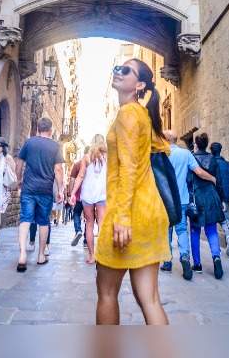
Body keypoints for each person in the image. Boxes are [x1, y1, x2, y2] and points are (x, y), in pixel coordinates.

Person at [95, 58, 171, 325]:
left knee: (106, 294)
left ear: (138, 84)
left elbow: (128, 166)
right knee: (149, 300)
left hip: (127, 215)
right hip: (150, 214)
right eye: (117, 67)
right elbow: (160, 147)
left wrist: (123, 217)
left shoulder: (127, 113)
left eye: (126, 70)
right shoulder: (143, 114)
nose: (118, 72)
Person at [160, 130, 217, 280]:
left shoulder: (160, 155)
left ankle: (167, 262)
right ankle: (185, 257)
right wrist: (213, 179)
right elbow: (198, 171)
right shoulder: (185, 154)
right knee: (182, 229)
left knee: (167, 230)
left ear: (165, 140)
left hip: (165, 200)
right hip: (183, 199)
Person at [15, 117, 64, 272]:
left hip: (29, 188)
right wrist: (61, 190)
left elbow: (19, 163)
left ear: (37, 129)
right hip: (45, 190)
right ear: (51, 130)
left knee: (25, 219)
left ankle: (22, 254)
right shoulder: (55, 146)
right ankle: (41, 255)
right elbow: (58, 170)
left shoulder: (29, 143)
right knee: (43, 221)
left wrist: (18, 180)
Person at [189, 132, 225, 279]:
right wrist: (222, 199)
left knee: (195, 231)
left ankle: (197, 264)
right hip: (211, 196)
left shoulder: (192, 159)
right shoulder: (212, 159)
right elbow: (219, 181)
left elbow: (188, 181)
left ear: (196, 145)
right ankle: (216, 258)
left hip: (197, 197)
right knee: (211, 230)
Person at [70, 134, 108, 264]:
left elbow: (80, 176)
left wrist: (73, 193)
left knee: (89, 224)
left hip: (87, 195)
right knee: (102, 225)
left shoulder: (86, 158)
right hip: (102, 194)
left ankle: (92, 256)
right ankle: (102, 256)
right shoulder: (108, 157)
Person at [211, 141, 229, 257]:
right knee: (225, 219)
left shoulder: (211, 164)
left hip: (214, 196)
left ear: (211, 151)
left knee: (211, 222)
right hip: (225, 197)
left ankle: (215, 250)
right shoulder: (228, 165)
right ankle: (228, 236)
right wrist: (226, 197)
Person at [68, 148, 88, 247]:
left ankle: (78, 230)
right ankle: (86, 240)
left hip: (79, 195)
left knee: (76, 213)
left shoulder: (77, 164)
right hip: (90, 196)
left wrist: (71, 193)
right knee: (89, 219)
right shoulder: (94, 164)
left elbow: (72, 180)